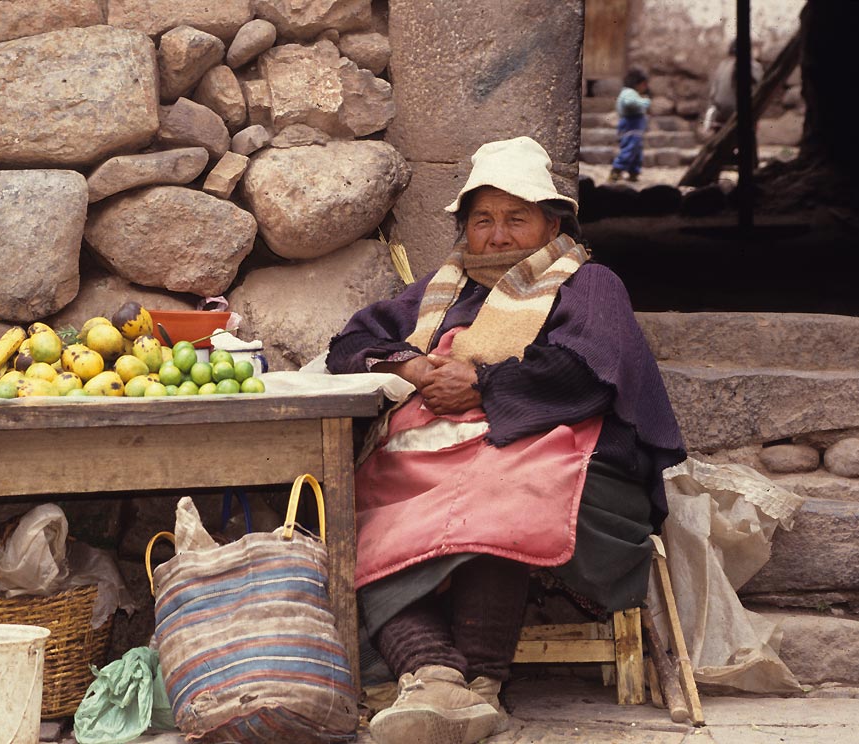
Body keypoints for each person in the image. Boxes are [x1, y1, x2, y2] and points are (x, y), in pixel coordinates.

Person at [326, 137, 685, 744]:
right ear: (464, 230)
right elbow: (351, 343)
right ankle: (435, 676)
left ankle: (478, 680)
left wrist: (484, 385)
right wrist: (410, 367)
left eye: (517, 219)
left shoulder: (589, 284)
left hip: (563, 465)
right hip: (433, 459)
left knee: (501, 489)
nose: (497, 236)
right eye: (482, 221)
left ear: (552, 223)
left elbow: (586, 372)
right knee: (355, 508)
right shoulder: (443, 291)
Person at [702, 39, 765, 134]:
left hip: (720, 115)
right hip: (738, 115)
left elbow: (713, 94)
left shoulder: (722, 65)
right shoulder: (753, 66)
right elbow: (760, 87)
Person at [610, 68, 652, 182]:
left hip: (636, 128)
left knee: (636, 151)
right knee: (630, 148)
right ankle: (617, 169)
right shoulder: (629, 93)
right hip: (631, 126)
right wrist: (645, 102)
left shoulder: (630, 92)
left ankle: (633, 172)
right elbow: (630, 103)